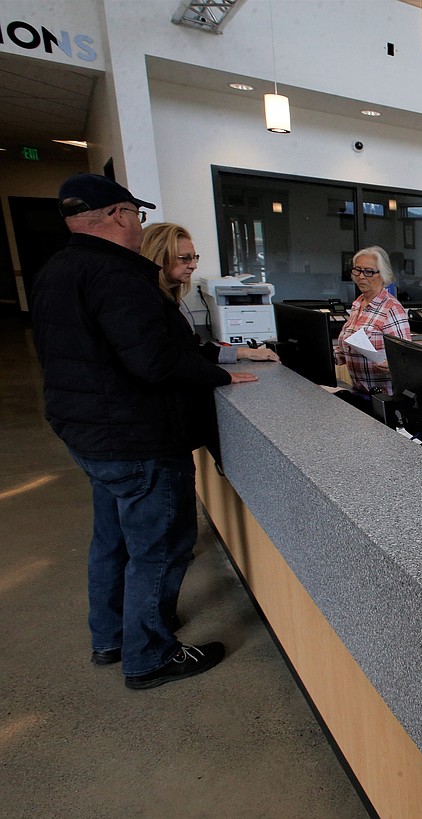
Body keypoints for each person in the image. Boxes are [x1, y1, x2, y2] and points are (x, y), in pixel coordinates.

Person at [31, 172, 258, 690]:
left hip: (87, 434)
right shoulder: (117, 275)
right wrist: (221, 373)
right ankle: (149, 656)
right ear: (118, 215)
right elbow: (155, 361)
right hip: (136, 437)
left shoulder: (58, 270)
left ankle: (111, 637)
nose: (138, 223)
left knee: (111, 541)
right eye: (136, 213)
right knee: (159, 546)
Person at [140, 222, 280, 365]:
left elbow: (193, 351)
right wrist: (223, 376)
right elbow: (172, 361)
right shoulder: (146, 303)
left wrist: (246, 352)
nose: (193, 265)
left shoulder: (172, 300)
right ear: (159, 257)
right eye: (185, 258)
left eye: (194, 257)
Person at [335, 245, 411, 402]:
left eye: (369, 272)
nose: (361, 276)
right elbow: (344, 351)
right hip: (360, 393)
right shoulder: (358, 305)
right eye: (358, 270)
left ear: (383, 275)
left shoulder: (392, 309)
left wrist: (391, 366)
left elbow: (406, 360)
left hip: (385, 398)